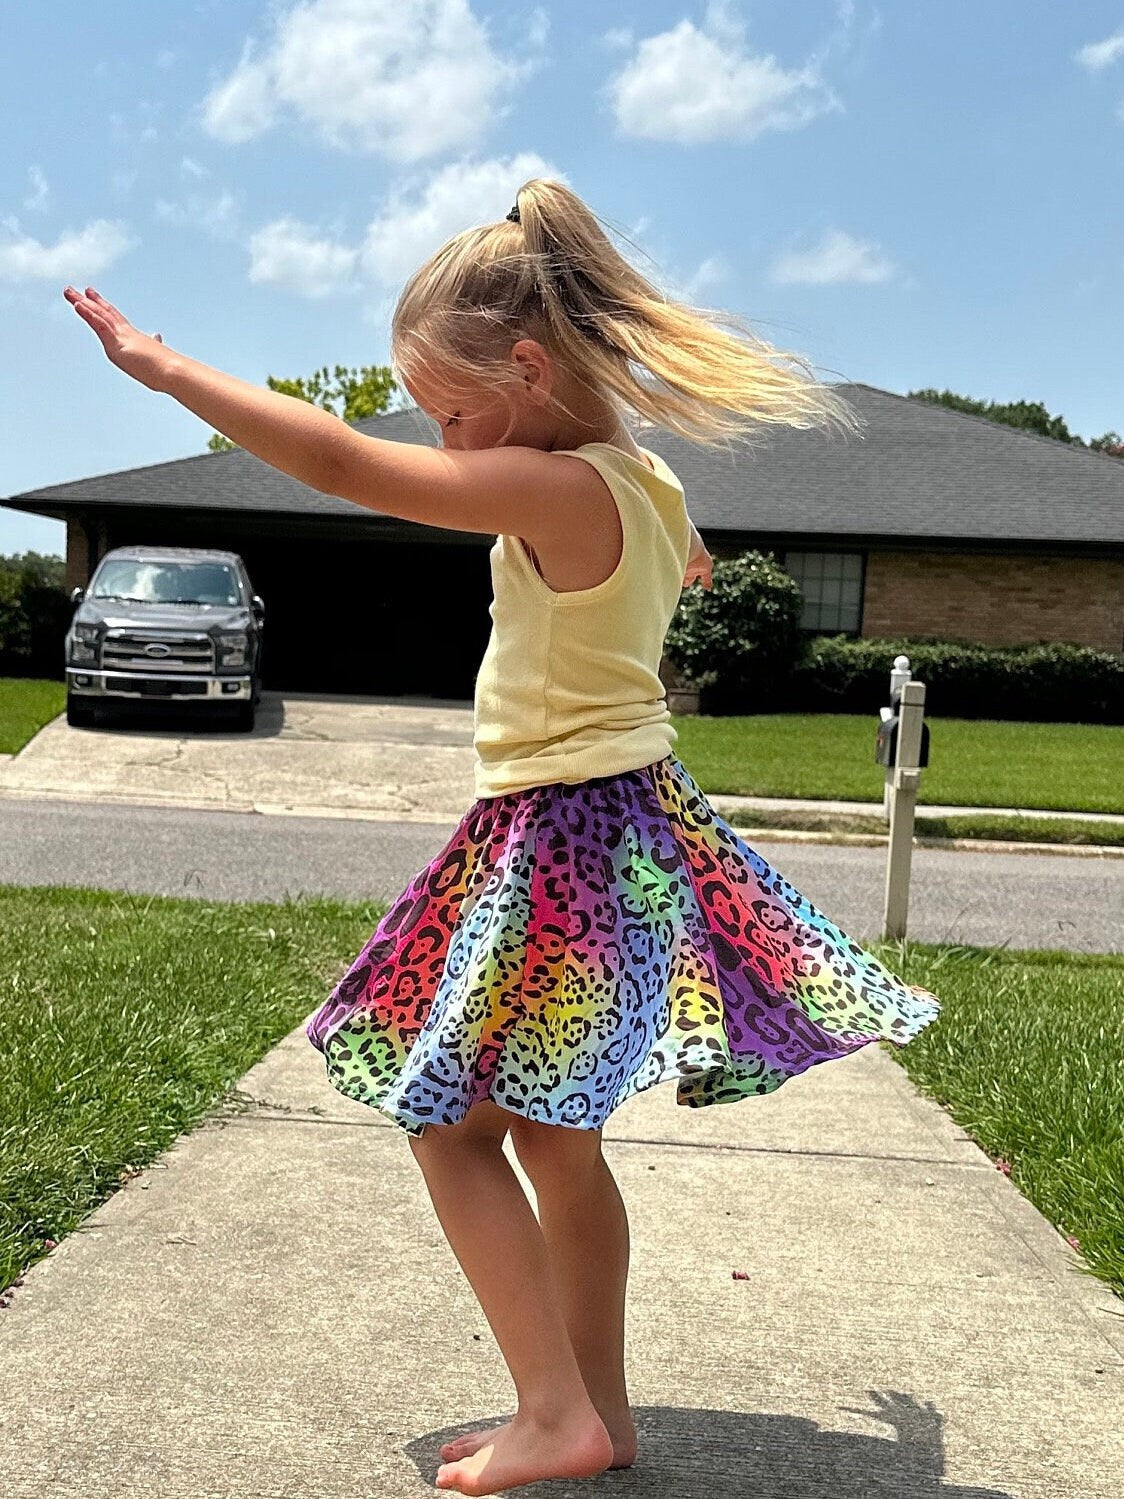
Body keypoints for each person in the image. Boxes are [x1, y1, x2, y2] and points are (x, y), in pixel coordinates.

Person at [65, 176, 941, 1497]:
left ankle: (555, 1411)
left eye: (457, 411)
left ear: (530, 371)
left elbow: (346, 464)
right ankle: (596, 1410)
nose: (447, 437)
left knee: (452, 1129)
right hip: (633, 820)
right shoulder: (641, 484)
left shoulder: (549, 487)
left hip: (562, 836)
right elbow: (666, 554)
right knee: (553, 1135)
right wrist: (679, 555)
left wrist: (167, 367)